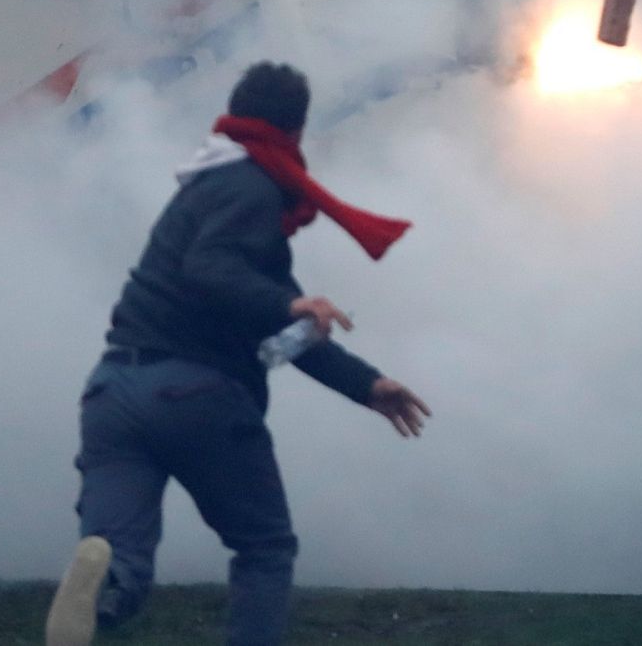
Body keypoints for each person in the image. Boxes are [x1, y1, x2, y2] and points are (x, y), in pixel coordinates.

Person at [45, 62, 431, 646]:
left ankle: (100, 593)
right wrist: (291, 303)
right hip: (196, 394)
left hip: (114, 392)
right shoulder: (249, 189)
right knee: (265, 547)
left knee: (117, 560)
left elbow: (269, 325)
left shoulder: (203, 188)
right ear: (296, 132)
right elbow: (218, 272)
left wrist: (365, 383)